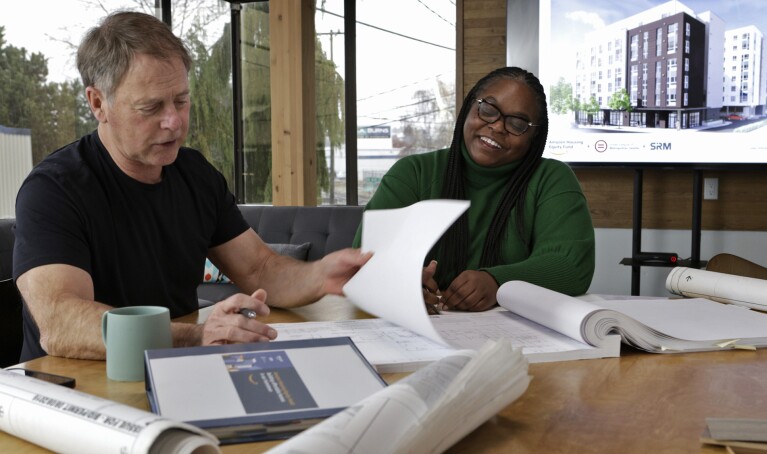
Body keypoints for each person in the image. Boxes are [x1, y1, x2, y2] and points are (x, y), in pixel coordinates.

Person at [12, 11, 370, 362]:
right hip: (71, 388)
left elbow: (260, 270)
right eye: (151, 107)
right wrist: (196, 337)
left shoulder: (195, 174)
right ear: (97, 103)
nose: (174, 122)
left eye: (181, 101)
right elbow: (63, 323)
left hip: (173, 367)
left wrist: (321, 274)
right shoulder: (53, 190)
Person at [354, 66, 595, 312]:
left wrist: (498, 281)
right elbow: (362, 261)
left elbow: (571, 266)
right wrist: (402, 285)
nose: (498, 127)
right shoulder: (413, 173)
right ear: (470, 108)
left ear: (534, 137)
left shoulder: (551, 179)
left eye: (518, 123)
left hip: (515, 340)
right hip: (414, 332)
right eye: (488, 110)